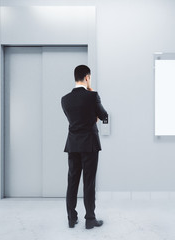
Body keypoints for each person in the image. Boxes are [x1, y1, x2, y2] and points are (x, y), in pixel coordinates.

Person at [61, 65, 108, 229]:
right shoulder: (92, 95)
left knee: (72, 181)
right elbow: (104, 116)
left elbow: (74, 119)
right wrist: (94, 97)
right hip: (89, 144)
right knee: (89, 182)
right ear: (87, 77)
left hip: (73, 144)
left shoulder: (64, 99)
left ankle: (71, 219)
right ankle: (90, 219)